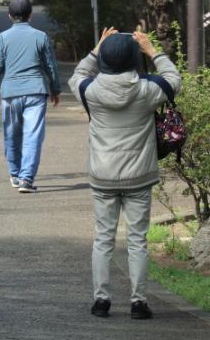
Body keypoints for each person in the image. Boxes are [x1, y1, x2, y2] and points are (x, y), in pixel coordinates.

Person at [68, 28, 182, 320]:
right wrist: (152, 50)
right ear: (134, 57)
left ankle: (101, 300)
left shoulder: (90, 91)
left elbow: (78, 74)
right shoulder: (147, 89)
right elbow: (174, 80)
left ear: (104, 59)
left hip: (103, 176)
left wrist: (97, 48)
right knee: (137, 240)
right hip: (139, 176)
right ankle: (139, 303)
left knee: (103, 239)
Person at [0, 0, 61, 193]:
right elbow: (51, 66)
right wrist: (55, 89)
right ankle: (26, 180)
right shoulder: (41, 36)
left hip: (10, 92)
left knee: (11, 134)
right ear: (31, 15)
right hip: (36, 91)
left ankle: (14, 174)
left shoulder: (3, 37)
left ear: (9, 16)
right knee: (33, 136)